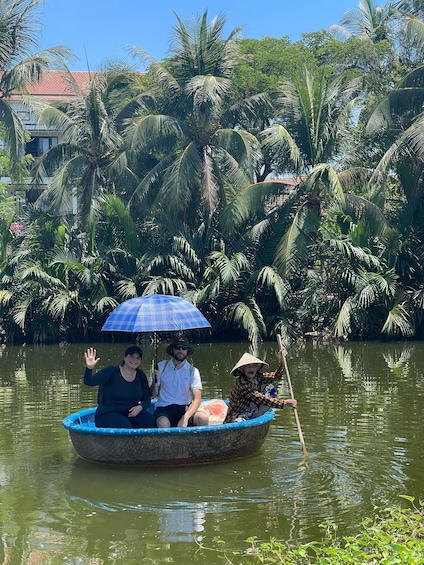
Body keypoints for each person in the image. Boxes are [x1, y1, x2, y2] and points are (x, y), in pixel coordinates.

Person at [83, 345, 156, 428]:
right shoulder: (111, 371)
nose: (134, 360)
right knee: (124, 426)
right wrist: (89, 368)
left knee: (150, 420)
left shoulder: (141, 375)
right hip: (108, 413)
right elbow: (89, 381)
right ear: (124, 357)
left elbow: (147, 400)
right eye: (131, 356)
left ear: (140, 361)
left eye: (138, 358)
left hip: (130, 413)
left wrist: (140, 407)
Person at [224, 348, 297, 423]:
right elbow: (258, 397)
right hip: (238, 415)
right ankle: (254, 420)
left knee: (270, 388)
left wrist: (281, 361)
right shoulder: (241, 382)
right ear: (242, 369)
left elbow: (276, 376)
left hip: (253, 410)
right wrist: (283, 402)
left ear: (257, 368)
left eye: (253, 366)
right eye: (248, 366)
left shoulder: (257, 377)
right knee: (239, 422)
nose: (251, 368)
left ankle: (257, 417)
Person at [150, 335, 209, 428]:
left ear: (187, 351)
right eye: (177, 347)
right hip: (164, 408)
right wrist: (155, 382)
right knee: (163, 423)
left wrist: (185, 418)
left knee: (203, 418)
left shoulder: (192, 371)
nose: (180, 351)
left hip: (185, 407)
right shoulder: (161, 367)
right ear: (172, 349)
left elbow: (197, 399)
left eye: (184, 348)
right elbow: (153, 395)